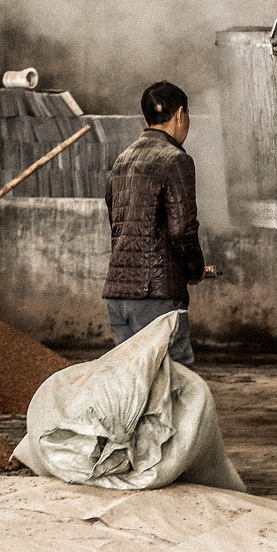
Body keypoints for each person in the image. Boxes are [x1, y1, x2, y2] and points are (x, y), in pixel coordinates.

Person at [103, 81, 207, 366]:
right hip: (156, 294)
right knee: (174, 381)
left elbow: (117, 223)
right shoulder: (175, 160)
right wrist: (195, 269)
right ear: (180, 114)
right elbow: (182, 229)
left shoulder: (122, 160)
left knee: (131, 384)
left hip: (118, 295)